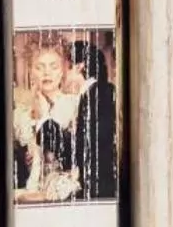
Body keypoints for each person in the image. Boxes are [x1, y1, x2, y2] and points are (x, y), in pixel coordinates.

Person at [12, 41, 79, 199]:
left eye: (53, 67)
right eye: (39, 67)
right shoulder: (20, 114)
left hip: (67, 192)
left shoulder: (75, 105)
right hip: (32, 192)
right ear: (31, 71)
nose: (47, 73)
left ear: (62, 71)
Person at [68, 38, 118, 200]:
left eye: (67, 68)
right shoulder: (94, 93)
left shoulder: (99, 94)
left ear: (79, 66)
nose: (64, 75)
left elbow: (95, 142)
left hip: (102, 185)